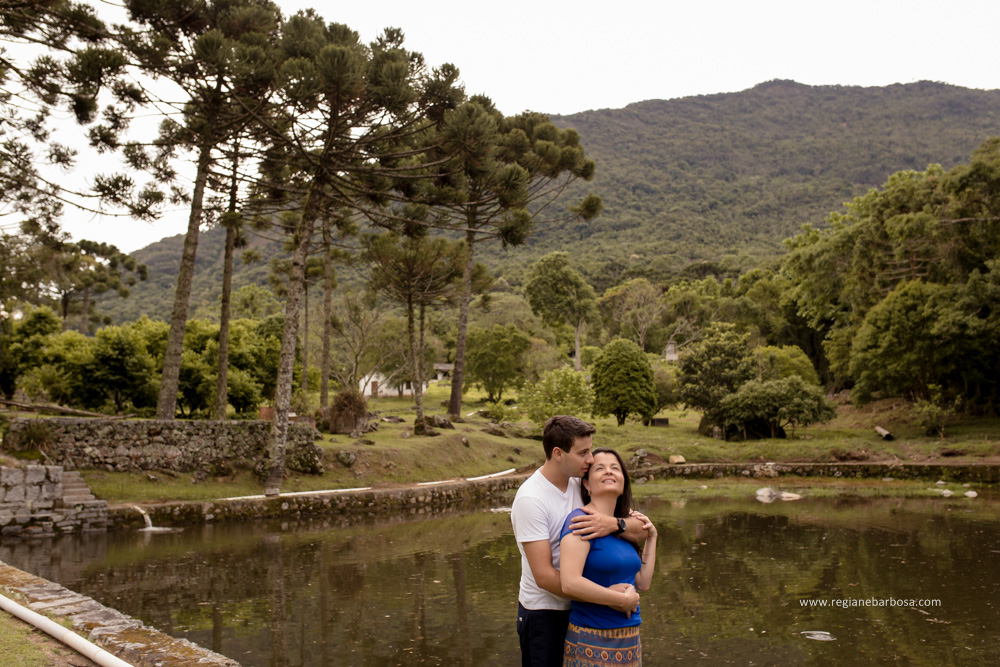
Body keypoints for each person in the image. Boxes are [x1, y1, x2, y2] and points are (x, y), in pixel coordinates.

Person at [511, 416, 649, 667]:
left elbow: (642, 529)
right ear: (558, 453)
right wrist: (610, 597)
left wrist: (614, 524)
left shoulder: (580, 483)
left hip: (584, 612)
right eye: (583, 452)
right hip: (545, 613)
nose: (590, 459)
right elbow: (543, 576)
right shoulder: (531, 499)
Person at [559, 448, 657, 667]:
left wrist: (652, 537)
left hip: (629, 638)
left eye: (615, 468)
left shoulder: (622, 526)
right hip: (592, 637)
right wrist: (622, 600)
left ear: (623, 482)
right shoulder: (580, 521)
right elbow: (569, 582)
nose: (608, 472)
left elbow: (643, 582)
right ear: (586, 484)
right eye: (599, 468)